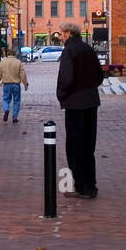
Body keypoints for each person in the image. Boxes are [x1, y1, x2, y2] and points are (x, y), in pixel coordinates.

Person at [55, 21, 101, 199]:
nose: (60, 36)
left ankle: (82, 185)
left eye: (61, 33)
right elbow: (98, 75)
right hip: (91, 101)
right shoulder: (89, 50)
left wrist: (62, 95)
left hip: (75, 103)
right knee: (88, 145)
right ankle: (91, 185)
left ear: (68, 34)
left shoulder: (69, 51)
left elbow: (66, 78)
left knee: (74, 145)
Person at [0, 47, 28, 123]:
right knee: (16, 101)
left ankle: (6, 109)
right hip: (16, 84)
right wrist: (25, 83)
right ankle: (14, 117)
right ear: (14, 54)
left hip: (6, 84)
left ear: (7, 54)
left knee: (6, 99)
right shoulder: (18, 62)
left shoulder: (3, 62)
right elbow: (22, 74)